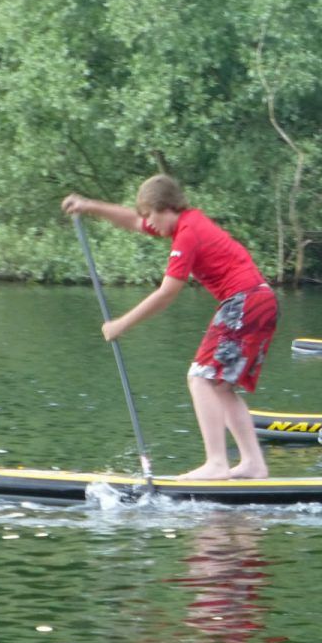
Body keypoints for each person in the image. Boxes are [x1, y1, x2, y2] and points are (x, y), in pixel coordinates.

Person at [62, 175, 277, 480]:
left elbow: (167, 293)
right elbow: (134, 222)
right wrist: (88, 206)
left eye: (150, 214)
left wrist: (121, 324)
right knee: (221, 386)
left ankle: (217, 463)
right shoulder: (186, 222)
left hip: (245, 301)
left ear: (165, 208)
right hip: (260, 300)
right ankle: (254, 464)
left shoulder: (188, 233)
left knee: (200, 378)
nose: (149, 223)